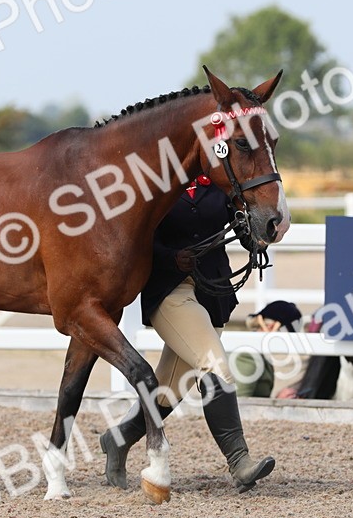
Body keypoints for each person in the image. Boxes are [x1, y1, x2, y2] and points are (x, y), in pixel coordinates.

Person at [100, 174, 275, 492]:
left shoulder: (220, 184)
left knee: (171, 387)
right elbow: (134, 236)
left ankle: (120, 437)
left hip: (213, 292)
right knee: (215, 366)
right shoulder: (155, 184)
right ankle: (239, 462)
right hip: (170, 291)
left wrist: (260, 234)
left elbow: (242, 227)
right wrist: (170, 257)